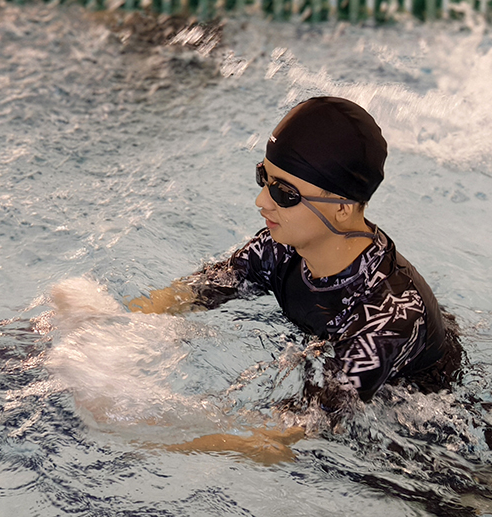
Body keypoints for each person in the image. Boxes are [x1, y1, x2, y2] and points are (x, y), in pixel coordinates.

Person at [128, 96, 463, 414]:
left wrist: (145, 430)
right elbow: (186, 295)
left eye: (284, 192)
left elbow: (289, 434)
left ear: (342, 208)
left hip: (428, 421)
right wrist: (111, 328)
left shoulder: (389, 317)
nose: (261, 201)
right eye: (263, 178)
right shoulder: (278, 249)